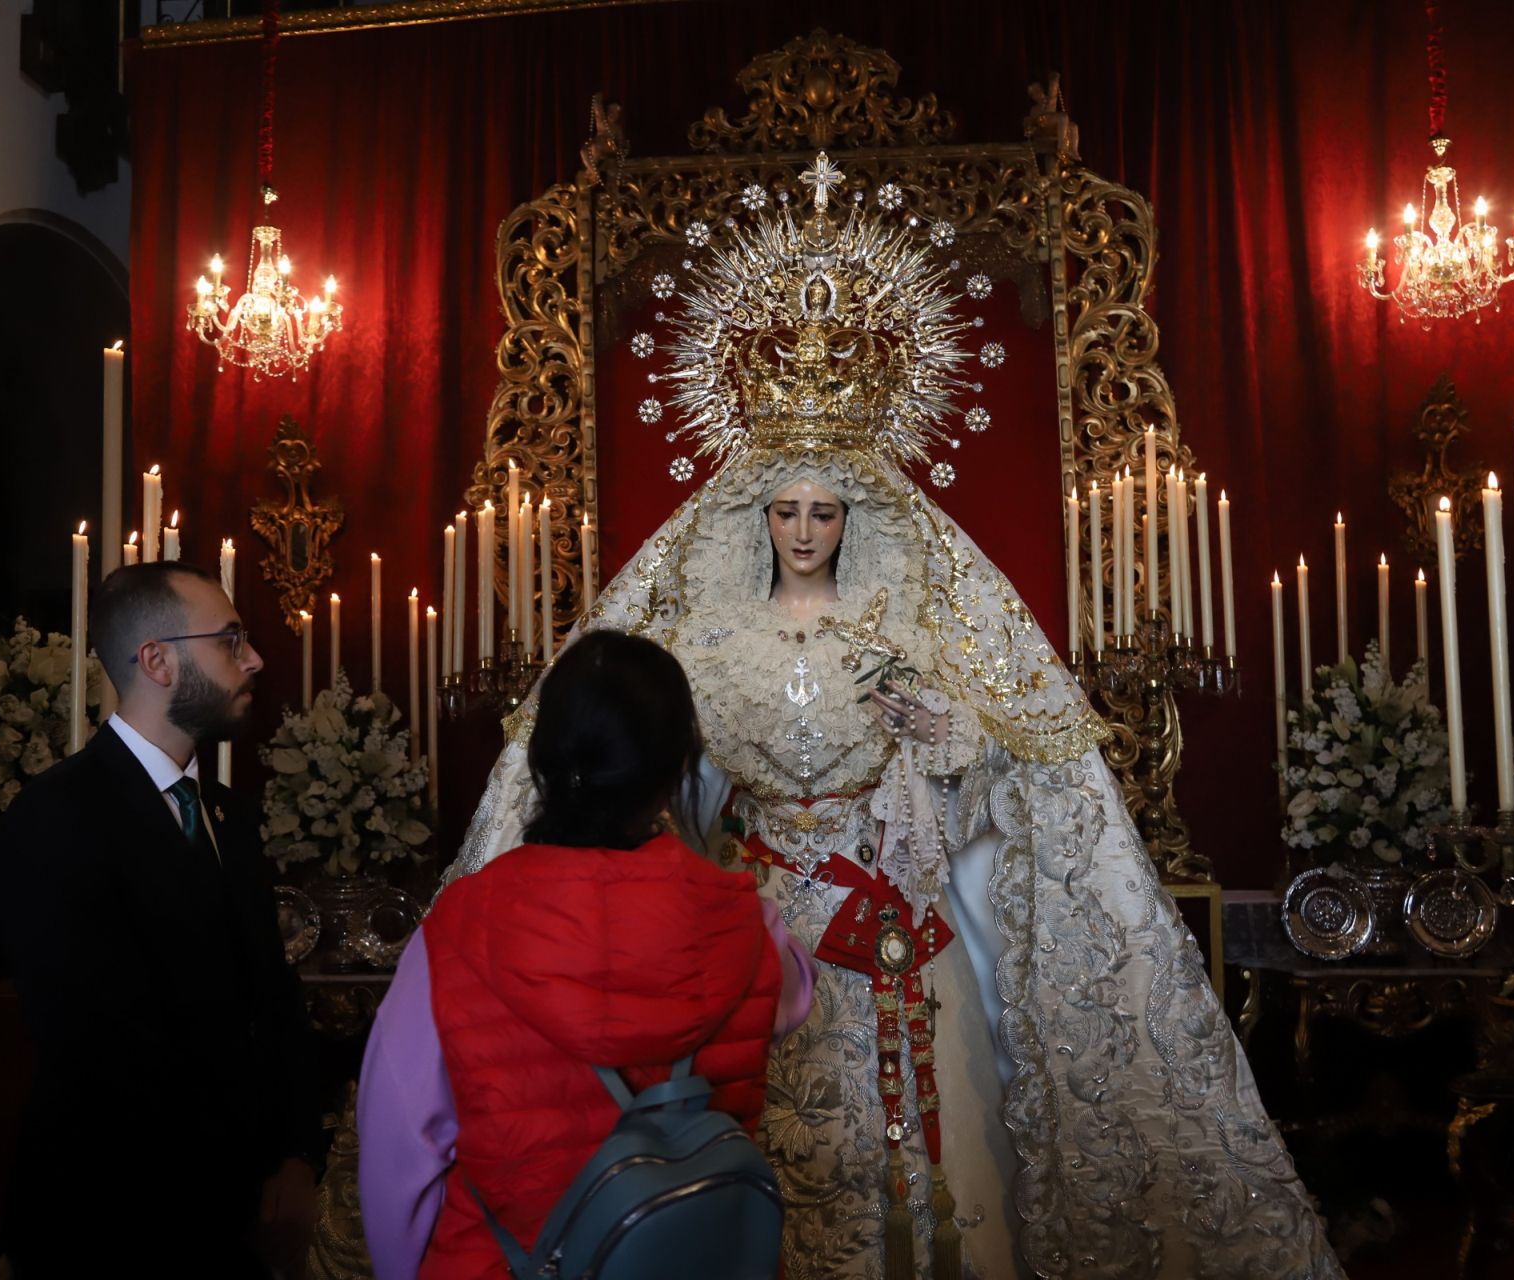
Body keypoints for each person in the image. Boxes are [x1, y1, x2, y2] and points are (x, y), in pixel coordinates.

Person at [450, 156, 1343, 1277]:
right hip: (748, 916)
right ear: (756, 515)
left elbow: (996, 774)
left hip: (888, 923)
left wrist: (952, 745)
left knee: (919, 1161)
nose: (807, 528)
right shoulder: (707, 639)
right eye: (786, 508)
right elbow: (659, 780)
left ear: (852, 515)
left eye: (826, 508)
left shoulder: (909, 626)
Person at [355, 630, 814, 1279]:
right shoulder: (746, 924)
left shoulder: (455, 930)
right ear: (678, 769)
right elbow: (796, 989)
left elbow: (397, 1152)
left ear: (542, 760)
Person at [0, 561, 319, 1278]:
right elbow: (97, 1046)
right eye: (230, 639)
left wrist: (295, 1156)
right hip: (114, 1224)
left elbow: (272, 998)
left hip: (239, 1218)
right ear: (158, 661)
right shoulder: (57, 816)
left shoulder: (228, 817)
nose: (255, 658)